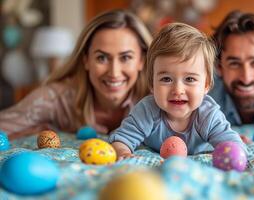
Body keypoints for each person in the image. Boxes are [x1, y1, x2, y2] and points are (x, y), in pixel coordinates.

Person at [0, 10, 152, 139]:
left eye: (125, 57)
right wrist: (29, 133)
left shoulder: (158, 98)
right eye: (102, 58)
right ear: (86, 60)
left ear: (141, 60)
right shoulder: (54, 98)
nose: (114, 72)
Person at [109, 23, 245, 159]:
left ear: (206, 85)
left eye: (190, 79)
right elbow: (121, 139)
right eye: (166, 79)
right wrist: (123, 153)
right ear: (152, 84)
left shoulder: (208, 115)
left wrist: (233, 150)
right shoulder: (147, 111)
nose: (178, 90)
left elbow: (234, 147)